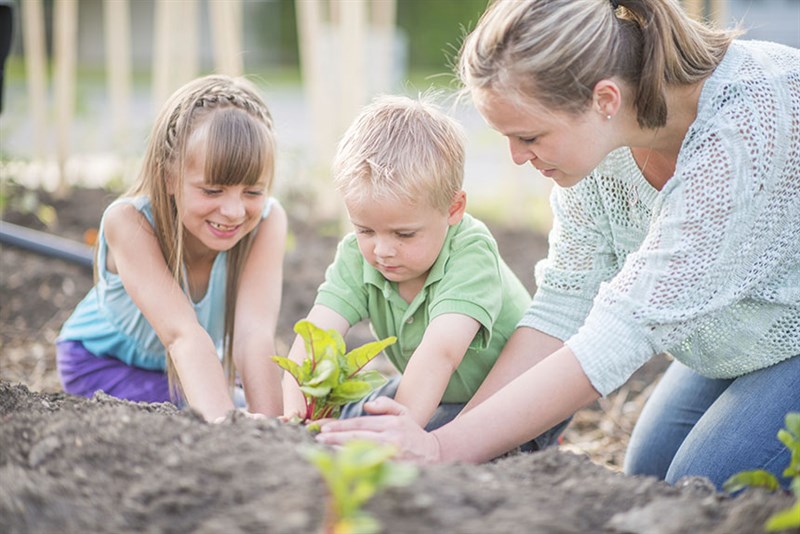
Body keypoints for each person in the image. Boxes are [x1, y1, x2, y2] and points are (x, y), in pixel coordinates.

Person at [316, 0, 800, 491]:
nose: (517, 157)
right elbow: (562, 307)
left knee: (709, 489)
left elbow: (625, 327)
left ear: (604, 99)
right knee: (650, 476)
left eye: (529, 136)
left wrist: (441, 449)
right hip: (743, 333)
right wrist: (451, 438)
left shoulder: (745, 125)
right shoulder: (602, 148)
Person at [283, 95, 566, 447]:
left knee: (423, 431)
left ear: (453, 208)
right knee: (353, 415)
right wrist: (298, 419)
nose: (382, 250)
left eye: (404, 234)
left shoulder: (470, 253)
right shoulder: (358, 255)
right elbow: (316, 337)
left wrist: (394, 440)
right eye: (365, 230)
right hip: (439, 394)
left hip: (510, 399)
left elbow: (441, 352)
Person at [56, 75, 287, 423]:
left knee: (256, 405)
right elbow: (183, 335)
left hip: (182, 372)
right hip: (103, 363)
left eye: (253, 192)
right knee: (196, 412)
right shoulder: (129, 223)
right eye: (212, 190)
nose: (234, 211)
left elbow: (254, 334)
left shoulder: (268, 222)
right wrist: (231, 427)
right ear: (168, 176)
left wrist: (273, 425)